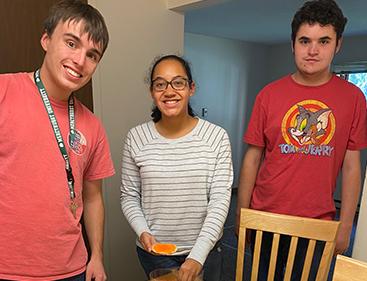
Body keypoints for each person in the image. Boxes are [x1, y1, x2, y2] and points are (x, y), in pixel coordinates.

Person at [236, 0, 367, 280]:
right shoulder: (269, 94)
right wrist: (242, 213)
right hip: (265, 218)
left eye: (324, 41)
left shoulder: (354, 98)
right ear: (293, 43)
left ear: (338, 45)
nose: (313, 50)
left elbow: (352, 165)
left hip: (317, 223)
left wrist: (345, 226)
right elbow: (252, 157)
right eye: (304, 40)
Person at [0, 1, 115, 280]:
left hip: (71, 269)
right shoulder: (4, 91)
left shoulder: (93, 126)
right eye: (72, 43)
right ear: (46, 39)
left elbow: (93, 197)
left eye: (92, 55)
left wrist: (97, 256)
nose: (80, 61)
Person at [120, 55, 233, 281]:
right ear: (152, 92)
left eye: (178, 82)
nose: (169, 91)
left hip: (205, 253)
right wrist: (143, 231)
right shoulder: (136, 137)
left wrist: (197, 256)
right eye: (160, 84)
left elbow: (220, 200)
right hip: (154, 255)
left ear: (191, 88)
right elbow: (129, 196)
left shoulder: (216, 137)